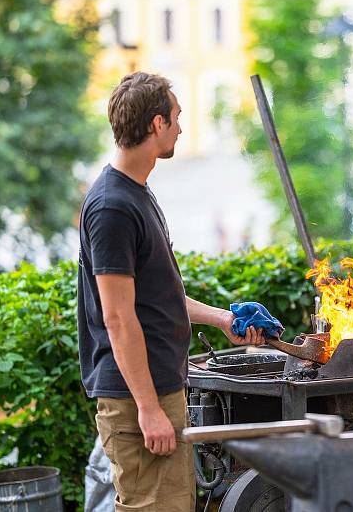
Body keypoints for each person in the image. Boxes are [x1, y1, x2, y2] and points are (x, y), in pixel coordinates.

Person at [77, 72, 266, 511]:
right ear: (156, 124)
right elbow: (118, 318)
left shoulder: (137, 195)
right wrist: (147, 408)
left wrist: (222, 319)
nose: (181, 126)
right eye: (177, 116)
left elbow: (157, 299)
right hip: (135, 398)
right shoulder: (112, 207)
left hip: (160, 389)